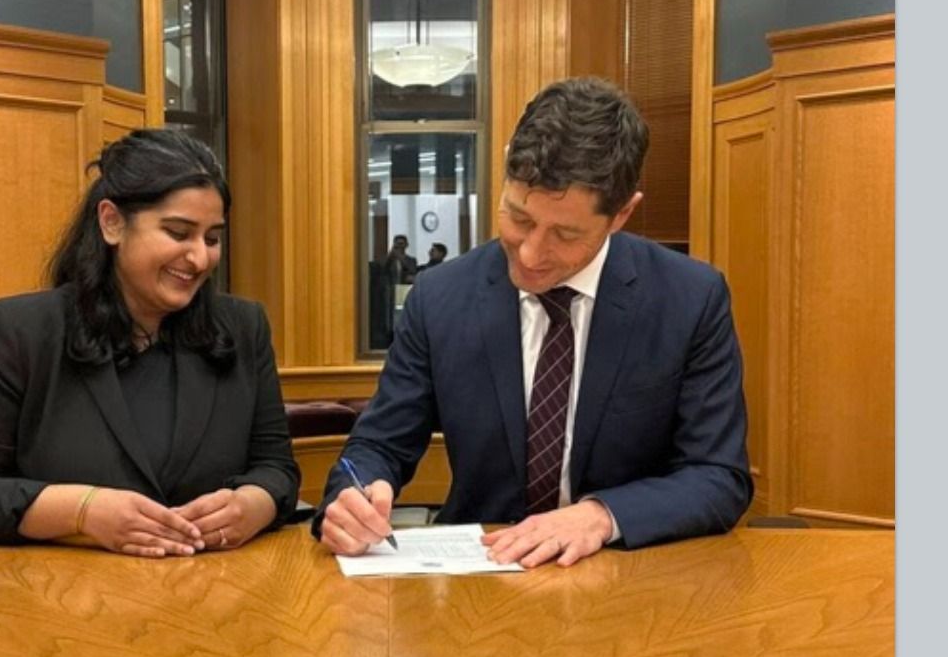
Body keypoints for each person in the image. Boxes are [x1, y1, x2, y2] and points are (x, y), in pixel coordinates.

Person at [316, 77, 751, 568]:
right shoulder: (440, 298)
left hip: (627, 581)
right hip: (480, 582)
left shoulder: (689, 299)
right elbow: (378, 445)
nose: (529, 254)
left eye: (564, 233)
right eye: (518, 218)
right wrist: (350, 498)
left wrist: (602, 515)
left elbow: (718, 477)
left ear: (622, 214)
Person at [0, 128, 299, 556]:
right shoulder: (19, 330)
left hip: (213, 594)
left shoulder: (244, 327)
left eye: (212, 239)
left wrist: (253, 505)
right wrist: (83, 512)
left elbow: (276, 468)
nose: (199, 258)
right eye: (178, 233)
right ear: (112, 222)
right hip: (57, 602)